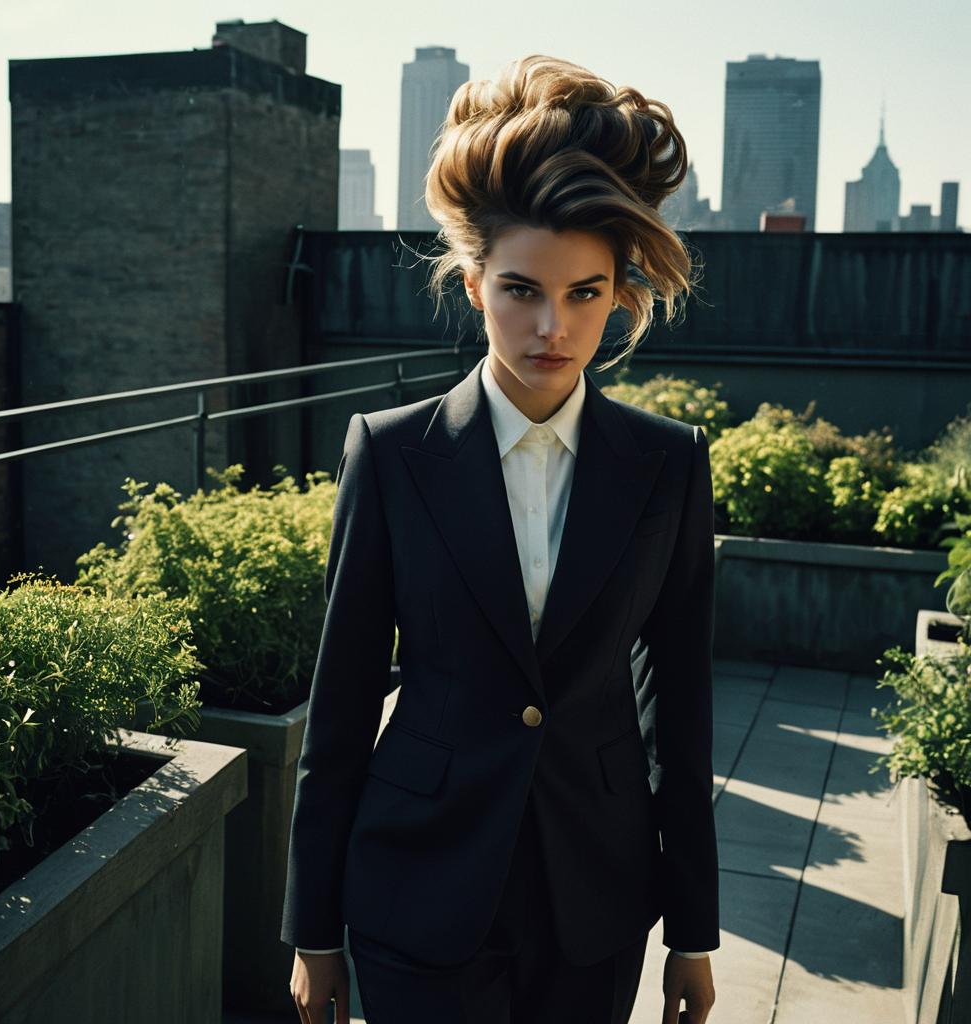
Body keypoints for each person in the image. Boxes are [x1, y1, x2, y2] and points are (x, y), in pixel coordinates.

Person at [282, 53, 719, 1024]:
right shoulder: (391, 456)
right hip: (419, 882)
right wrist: (313, 929)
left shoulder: (667, 466)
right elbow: (342, 702)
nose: (550, 327)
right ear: (475, 284)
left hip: (597, 899)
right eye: (521, 290)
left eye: (584, 294)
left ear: (620, 296)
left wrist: (692, 927)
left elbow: (679, 708)